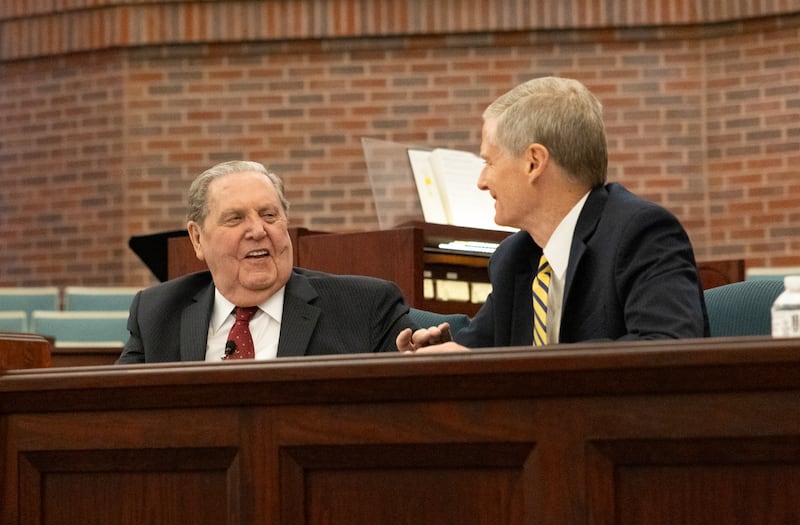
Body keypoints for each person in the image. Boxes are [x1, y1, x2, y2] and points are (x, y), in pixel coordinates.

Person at [397, 76, 709, 353]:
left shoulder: (642, 233)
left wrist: (522, 371)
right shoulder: (514, 258)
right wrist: (442, 359)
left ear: (534, 162)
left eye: (489, 161)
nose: (481, 181)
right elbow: (478, 358)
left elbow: (669, 348)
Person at [117, 160, 416, 364]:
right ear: (197, 239)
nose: (258, 231)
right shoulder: (156, 315)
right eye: (235, 219)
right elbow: (117, 414)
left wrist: (418, 365)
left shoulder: (364, 307)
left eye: (269, 215)